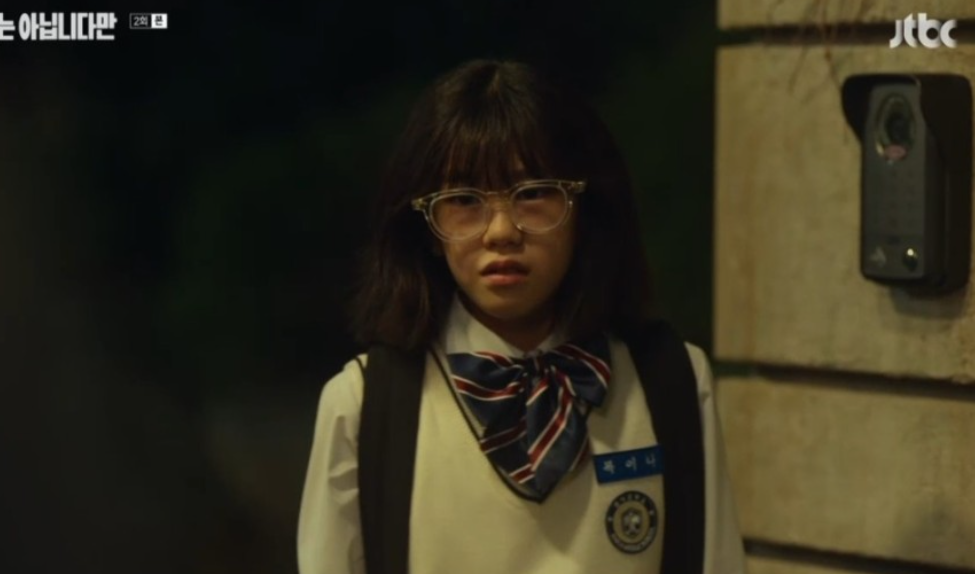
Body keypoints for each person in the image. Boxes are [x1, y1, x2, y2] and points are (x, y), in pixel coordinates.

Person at [297, 59, 746, 574]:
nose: (501, 232)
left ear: (584, 208)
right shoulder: (365, 407)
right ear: (426, 229)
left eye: (532, 194)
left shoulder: (672, 382)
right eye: (463, 200)